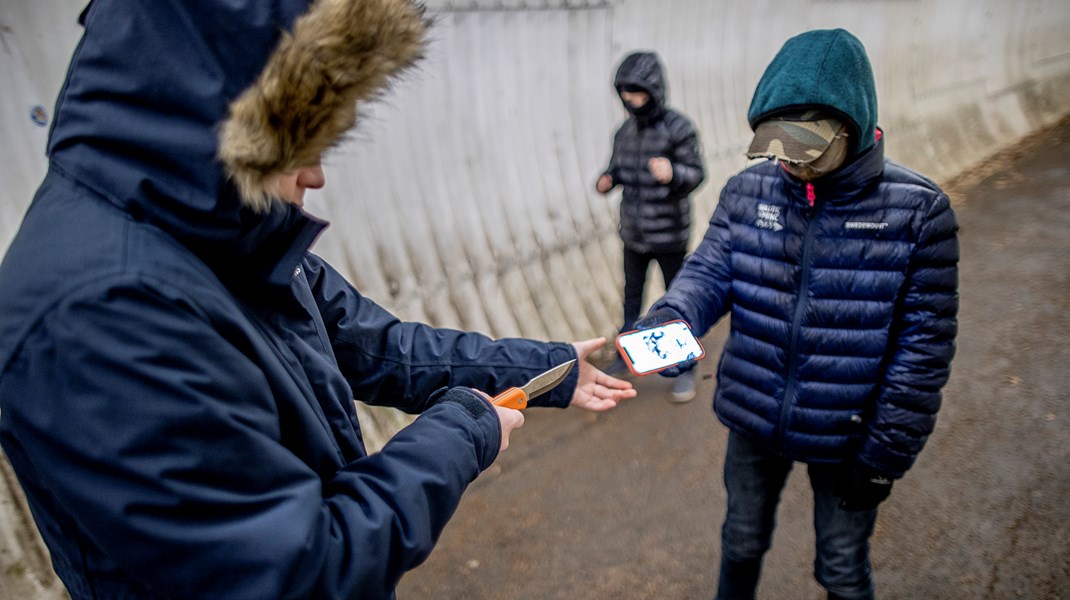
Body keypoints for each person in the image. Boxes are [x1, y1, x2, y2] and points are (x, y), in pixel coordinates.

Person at [0, 1, 635, 599]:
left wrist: (543, 370)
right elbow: (299, 573)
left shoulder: (220, 233)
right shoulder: (97, 313)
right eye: (297, 138)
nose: (316, 173)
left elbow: (381, 349)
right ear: (217, 119)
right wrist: (466, 429)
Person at [634, 29, 959, 599]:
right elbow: (708, 274)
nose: (792, 165)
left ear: (851, 127)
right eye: (776, 146)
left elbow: (923, 351)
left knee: (840, 566)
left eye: (806, 149)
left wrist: (885, 454)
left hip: (850, 436)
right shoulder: (746, 192)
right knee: (739, 540)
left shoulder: (918, 213)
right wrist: (667, 325)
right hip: (754, 415)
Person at [595, 51, 706, 402]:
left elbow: (696, 173)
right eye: (625, 92)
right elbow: (618, 168)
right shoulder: (624, 132)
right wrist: (608, 179)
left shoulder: (679, 127)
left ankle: (684, 367)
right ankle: (625, 355)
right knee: (631, 298)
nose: (630, 99)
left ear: (653, 90)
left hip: (670, 234)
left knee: (677, 300)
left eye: (637, 91)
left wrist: (674, 173)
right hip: (634, 233)